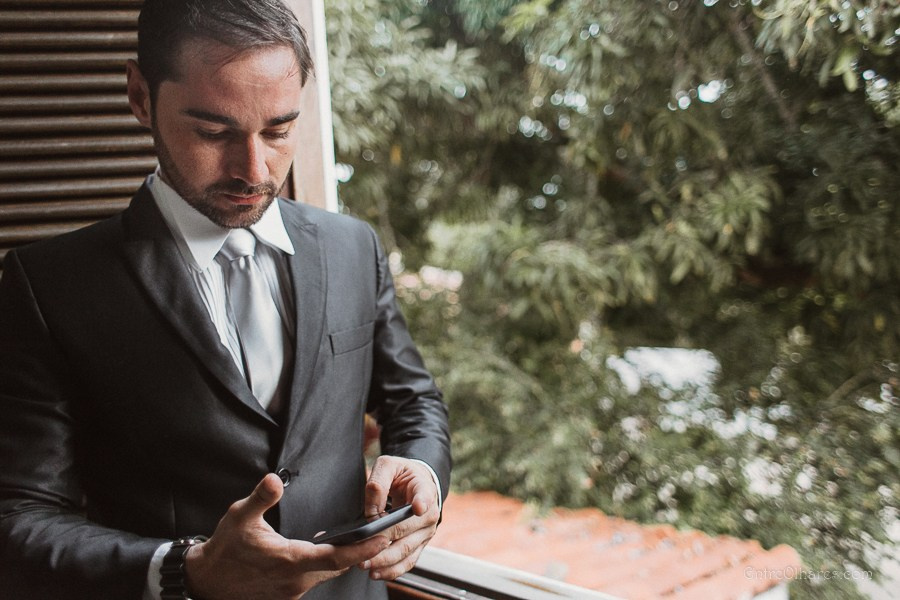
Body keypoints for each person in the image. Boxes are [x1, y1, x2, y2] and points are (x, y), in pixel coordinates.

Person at [0, 0, 451, 598]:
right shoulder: (47, 285)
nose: (254, 169)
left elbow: (412, 399)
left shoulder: (352, 247)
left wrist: (420, 470)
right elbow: (19, 515)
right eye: (214, 132)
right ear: (140, 97)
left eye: (279, 129)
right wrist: (187, 568)